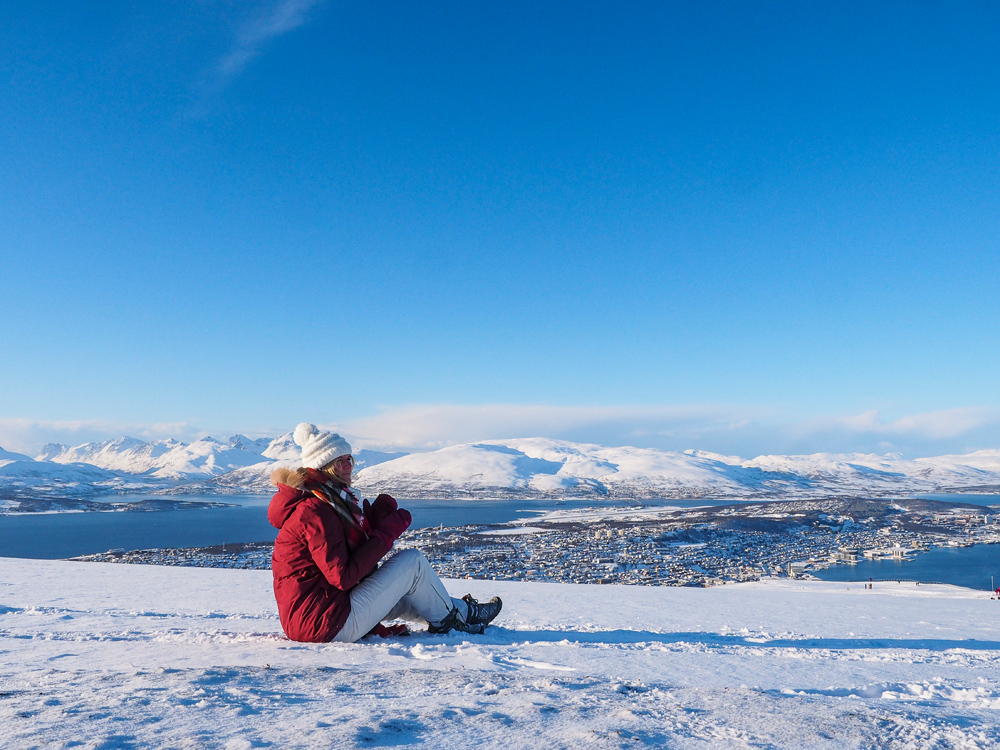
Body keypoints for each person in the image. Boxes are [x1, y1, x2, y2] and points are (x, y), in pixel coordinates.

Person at [268, 423, 502, 643]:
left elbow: (340, 558)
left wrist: (370, 526)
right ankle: (451, 622)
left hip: (322, 614)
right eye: (340, 461)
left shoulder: (328, 502)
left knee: (409, 594)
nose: (348, 465)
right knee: (413, 563)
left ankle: (464, 612)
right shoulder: (315, 510)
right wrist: (384, 535)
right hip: (325, 622)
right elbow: (342, 576)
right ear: (324, 467)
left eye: (349, 459)